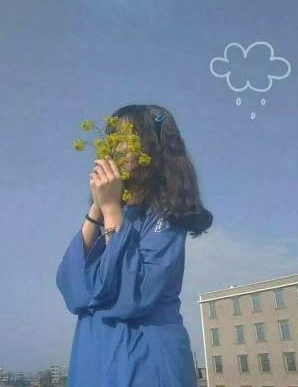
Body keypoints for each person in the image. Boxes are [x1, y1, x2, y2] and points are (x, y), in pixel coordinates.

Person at [56, 105, 213, 387]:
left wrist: (111, 209)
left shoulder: (167, 215)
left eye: (127, 135)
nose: (116, 147)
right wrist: (98, 206)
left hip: (143, 357)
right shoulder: (116, 211)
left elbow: (133, 295)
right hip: (94, 354)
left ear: (154, 146)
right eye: (112, 137)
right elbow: (75, 293)